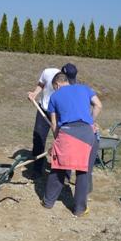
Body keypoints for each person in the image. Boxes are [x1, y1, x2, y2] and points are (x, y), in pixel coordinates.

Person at [42, 72, 102, 217]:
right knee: (83, 171)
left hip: (67, 132)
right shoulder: (85, 88)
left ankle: (48, 202)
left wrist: (57, 140)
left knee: (59, 167)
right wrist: (90, 122)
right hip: (87, 133)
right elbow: (98, 105)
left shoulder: (55, 96)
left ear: (57, 85)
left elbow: (54, 123)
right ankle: (79, 209)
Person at [27, 63, 78, 179]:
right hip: (44, 110)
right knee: (38, 138)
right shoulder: (48, 73)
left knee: (65, 142)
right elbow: (41, 83)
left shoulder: (73, 85)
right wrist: (35, 93)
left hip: (60, 114)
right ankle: (37, 169)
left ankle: (65, 172)